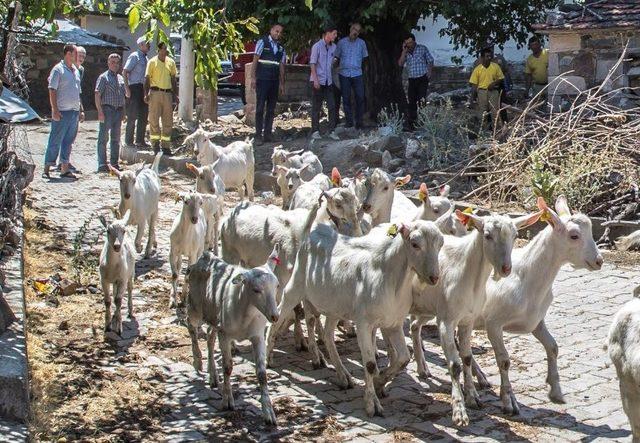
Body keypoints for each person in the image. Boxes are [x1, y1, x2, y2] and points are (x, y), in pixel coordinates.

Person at [43, 44, 82, 179]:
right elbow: (52, 89)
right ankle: (47, 167)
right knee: (55, 139)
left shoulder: (76, 71)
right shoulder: (58, 70)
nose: (78, 57)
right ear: (68, 54)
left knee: (68, 141)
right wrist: (54, 109)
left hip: (74, 111)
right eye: (75, 54)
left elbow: (77, 92)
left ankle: (64, 168)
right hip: (62, 111)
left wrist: (80, 109)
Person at [251, 23, 286, 145]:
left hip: (274, 82)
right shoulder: (262, 42)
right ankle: (258, 135)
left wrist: (282, 84)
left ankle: (267, 134)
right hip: (262, 80)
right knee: (260, 108)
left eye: (280, 32)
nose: (278, 34)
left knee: (271, 109)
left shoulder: (281, 48)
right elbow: (255, 60)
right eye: (276, 31)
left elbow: (281, 66)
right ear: (271, 30)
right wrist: (253, 78)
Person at [144, 41, 178, 155]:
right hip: (155, 93)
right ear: (158, 50)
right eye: (163, 49)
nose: (165, 51)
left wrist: (175, 95)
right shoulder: (152, 62)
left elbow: (173, 80)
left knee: (168, 120)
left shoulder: (171, 62)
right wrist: (146, 93)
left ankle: (166, 146)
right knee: (154, 119)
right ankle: (155, 145)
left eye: (166, 49)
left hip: (167, 93)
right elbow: (147, 79)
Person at [95, 53, 126, 173]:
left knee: (116, 139)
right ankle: (102, 164)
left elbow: (124, 96)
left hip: (118, 111)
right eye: (113, 62)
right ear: (108, 63)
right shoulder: (103, 77)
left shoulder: (120, 78)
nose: (115, 65)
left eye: (117, 62)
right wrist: (100, 111)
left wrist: (124, 111)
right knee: (103, 138)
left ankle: (114, 164)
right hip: (107, 110)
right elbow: (97, 94)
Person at [335, 22, 368, 129]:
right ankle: (349, 122)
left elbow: (364, 58)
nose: (356, 33)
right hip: (344, 74)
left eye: (358, 31)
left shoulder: (362, 43)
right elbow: (336, 57)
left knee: (360, 97)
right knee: (346, 98)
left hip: (357, 74)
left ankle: (359, 122)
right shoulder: (341, 42)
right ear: (350, 29)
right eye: (355, 29)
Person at [398, 33, 433, 129]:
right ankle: (412, 123)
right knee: (411, 100)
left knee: (421, 99)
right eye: (407, 43)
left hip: (422, 78)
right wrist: (404, 52)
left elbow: (430, 60)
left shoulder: (422, 48)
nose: (409, 45)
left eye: (410, 42)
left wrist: (429, 71)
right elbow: (400, 63)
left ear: (414, 41)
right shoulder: (406, 52)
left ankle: (422, 121)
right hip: (412, 79)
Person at [310, 24, 339, 140]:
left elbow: (332, 62)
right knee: (317, 107)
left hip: (328, 81)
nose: (335, 36)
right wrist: (316, 80)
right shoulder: (317, 46)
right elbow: (312, 63)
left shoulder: (334, 47)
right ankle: (315, 131)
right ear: (327, 33)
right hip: (318, 80)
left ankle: (331, 130)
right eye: (334, 34)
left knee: (332, 106)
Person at [124, 37, 151, 148]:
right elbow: (125, 71)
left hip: (143, 88)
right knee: (132, 116)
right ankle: (129, 141)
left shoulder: (146, 59)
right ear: (141, 45)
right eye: (147, 44)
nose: (149, 46)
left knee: (143, 115)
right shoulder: (135, 56)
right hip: (134, 87)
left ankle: (140, 140)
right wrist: (127, 89)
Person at [469, 47, 505, 131]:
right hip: (481, 93)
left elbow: (501, 78)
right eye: (487, 56)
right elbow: (474, 85)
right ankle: (484, 134)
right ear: (482, 58)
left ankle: (497, 132)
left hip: (493, 93)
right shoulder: (477, 70)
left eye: (490, 56)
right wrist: (472, 99)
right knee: (482, 115)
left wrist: (494, 83)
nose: (489, 58)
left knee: (495, 113)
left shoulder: (495, 66)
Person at [525, 36, 549, 102]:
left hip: (549, 85)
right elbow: (528, 76)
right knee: (537, 107)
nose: (534, 47)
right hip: (537, 87)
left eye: (536, 44)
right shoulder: (530, 59)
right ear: (530, 47)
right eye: (532, 45)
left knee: (549, 106)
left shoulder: (548, 53)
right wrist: (527, 90)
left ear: (540, 45)